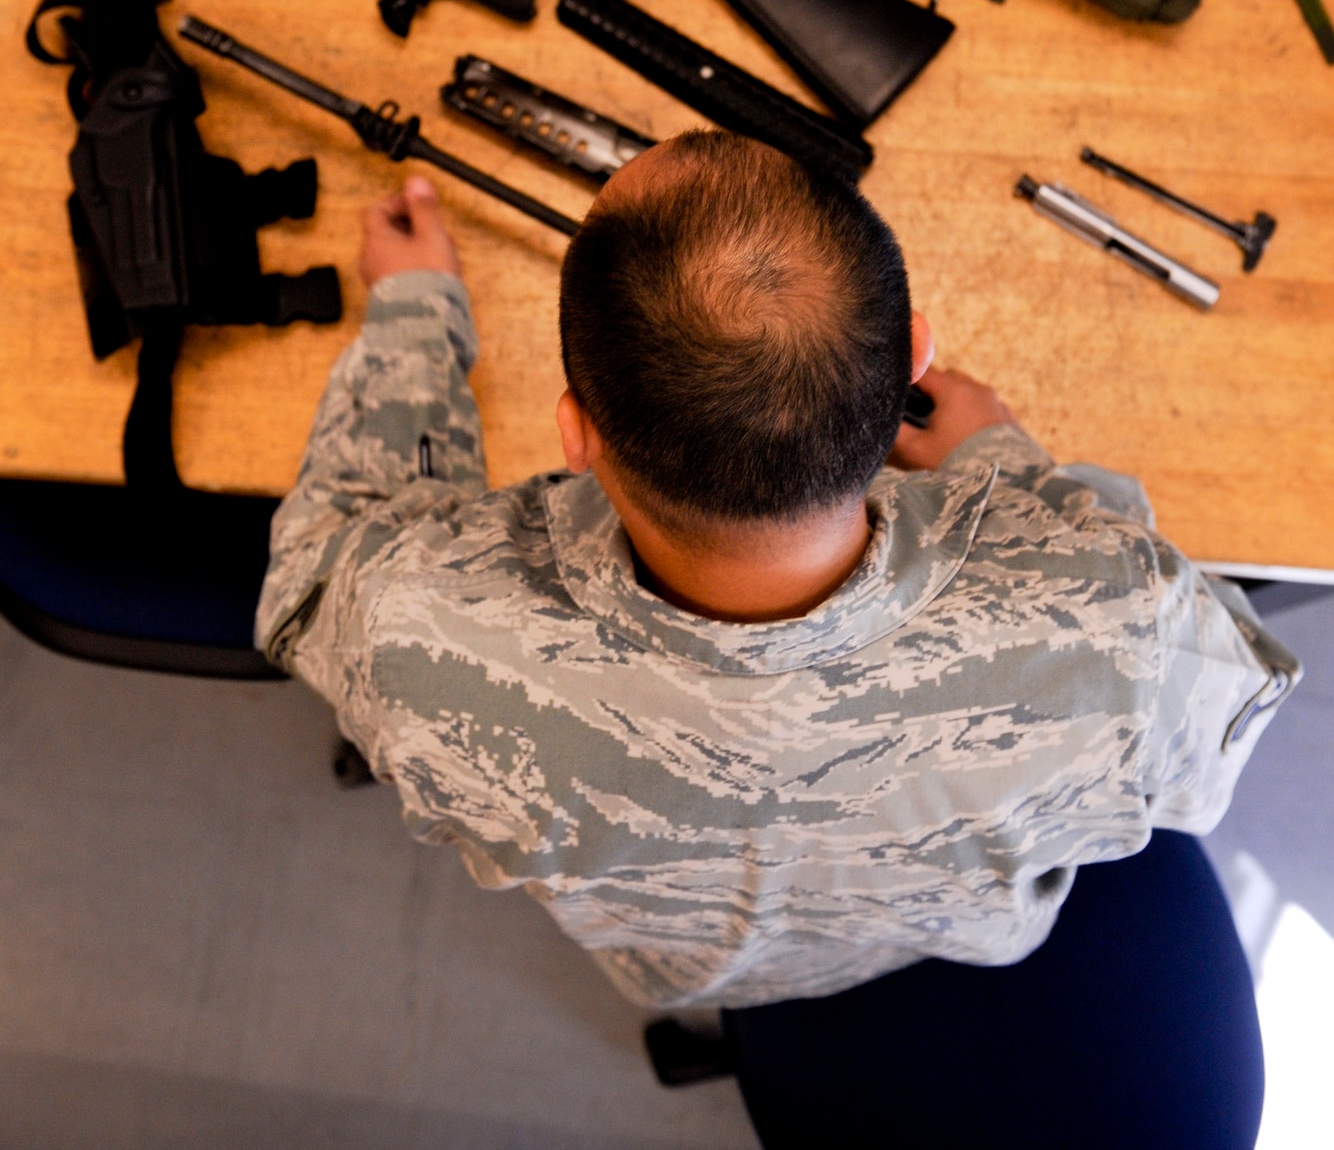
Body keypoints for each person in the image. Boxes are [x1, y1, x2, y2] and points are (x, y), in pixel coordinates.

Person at [257, 131, 1295, 1141]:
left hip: (712, 967)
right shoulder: (1118, 625)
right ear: (912, 358)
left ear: (574, 434)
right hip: (973, 934)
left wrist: (412, 314)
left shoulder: (431, 653)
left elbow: (314, 569)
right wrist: (1004, 464)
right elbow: (1211, 745)